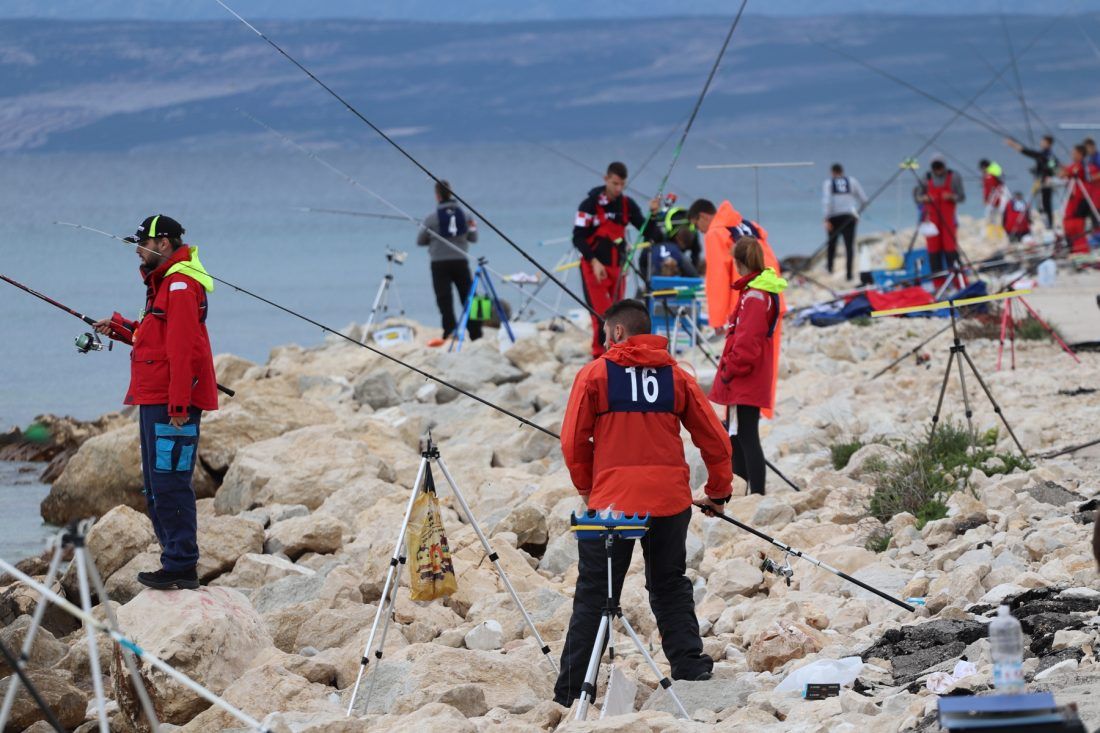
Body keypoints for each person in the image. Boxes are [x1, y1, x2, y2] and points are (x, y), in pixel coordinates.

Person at [555, 299, 732, 706]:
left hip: (612, 507)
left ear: (617, 332)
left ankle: (569, 694)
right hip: (669, 501)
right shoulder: (677, 377)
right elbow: (715, 440)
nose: (602, 342)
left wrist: (587, 488)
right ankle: (690, 667)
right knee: (669, 584)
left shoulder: (595, 374)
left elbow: (572, 441)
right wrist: (718, 492)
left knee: (596, 594)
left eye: (604, 334)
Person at [93, 215, 218, 591]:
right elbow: (156, 337)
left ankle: (181, 563)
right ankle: (173, 558)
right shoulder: (163, 284)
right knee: (154, 484)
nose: (137, 250)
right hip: (154, 398)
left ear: (163, 243)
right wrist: (119, 327)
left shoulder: (179, 286)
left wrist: (180, 407)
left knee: (170, 482)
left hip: (169, 403)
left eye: (142, 243)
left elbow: (183, 351)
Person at [690, 198, 785, 419]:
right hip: (773, 292)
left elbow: (717, 276)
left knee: (741, 357)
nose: (700, 231)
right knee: (766, 358)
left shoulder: (715, 232)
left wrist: (717, 319)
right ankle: (764, 409)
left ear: (703, 216)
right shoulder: (746, 223)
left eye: (697, 226)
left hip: (748, 300)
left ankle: (742, 413)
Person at [708, 237, 787, 496]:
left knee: (746, 435)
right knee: (737, 434)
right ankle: (743, 490)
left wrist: (730, 369)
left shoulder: (754, 296)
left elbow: (747, 343)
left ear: (740, 263)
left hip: (745, 376)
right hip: (750, 375)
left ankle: (755, 494)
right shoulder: (761, 291)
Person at [572, 162, 658, 358]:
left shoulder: (627, 205)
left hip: (618, 267)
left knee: (619, 314)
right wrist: (593, 260)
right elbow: (577, 237)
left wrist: (653, 214)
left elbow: (650, 233)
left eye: (622, 185)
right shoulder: (589, 205)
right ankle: (599, 355)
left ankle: (618, 354)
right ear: (606, 179)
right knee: (601, 315)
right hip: (593, 267)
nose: (618, 189)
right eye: (615, 183)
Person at [417, 180, 481, 341]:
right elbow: (473, 238)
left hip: (439, 263)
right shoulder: (466, 215)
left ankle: (450, 331)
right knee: (469, 296)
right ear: (451, 193)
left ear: (437, 196)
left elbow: (420, 241)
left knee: (444, 298)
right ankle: (476, 332)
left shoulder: (431, 218)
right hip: (460, 260)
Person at [915, 154, 966, 276]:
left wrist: (952, 197)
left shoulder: (954, 177)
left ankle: (958, 277)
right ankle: (938, 281)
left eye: (940, 167)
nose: (938, 171)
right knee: (933, 251)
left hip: (948, 220)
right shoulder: (926, 178)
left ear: (944, 166)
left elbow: (962, 197)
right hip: (932, 221)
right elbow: (918, 196)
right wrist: (925, 198)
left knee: (950, 248)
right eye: (935, 168)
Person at [822, 163, 868, 281]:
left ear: (832, 173)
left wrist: (826, 218)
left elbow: (827, 201)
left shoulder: (828, 183)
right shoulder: (852, 181)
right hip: (849, 216)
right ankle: (849, 274)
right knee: (849, 246)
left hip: (834, 217)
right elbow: (864, 199)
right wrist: (858, 213)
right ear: (842, 171)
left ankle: (830, 269)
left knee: (832, 244)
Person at [1005, 135, 1058, 230]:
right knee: (1042, 204)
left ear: (1048, 144)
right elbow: (1051, 165)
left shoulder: (1047, 155)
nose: (1041, 143)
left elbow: (1052, 165)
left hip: (1045, 182)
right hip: (1040, 181)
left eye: (1043, 142)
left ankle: (1049, 224)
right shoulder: (1046, 155)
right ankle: (1047, 223)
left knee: (1045, 204)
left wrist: (1013, 145)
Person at [1060, 145, 1100, 254]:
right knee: (1089, 223)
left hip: (1082, 199)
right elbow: (1065, 173)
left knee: (1075, 223)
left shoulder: (1080, 166)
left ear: (1080, 154)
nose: (1072, 155)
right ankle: (1080, 246)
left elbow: (1065, 174)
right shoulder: (1087, 165)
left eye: (1074, 153)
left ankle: (1079, 247)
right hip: (1088, 199)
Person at [646, 206, 699, 278]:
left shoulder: (694, 238)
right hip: (664, 242)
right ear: (677, 239)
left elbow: (695, 256)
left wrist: (690, 277)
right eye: (682, 246)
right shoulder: (667, 237)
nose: (682, 249)